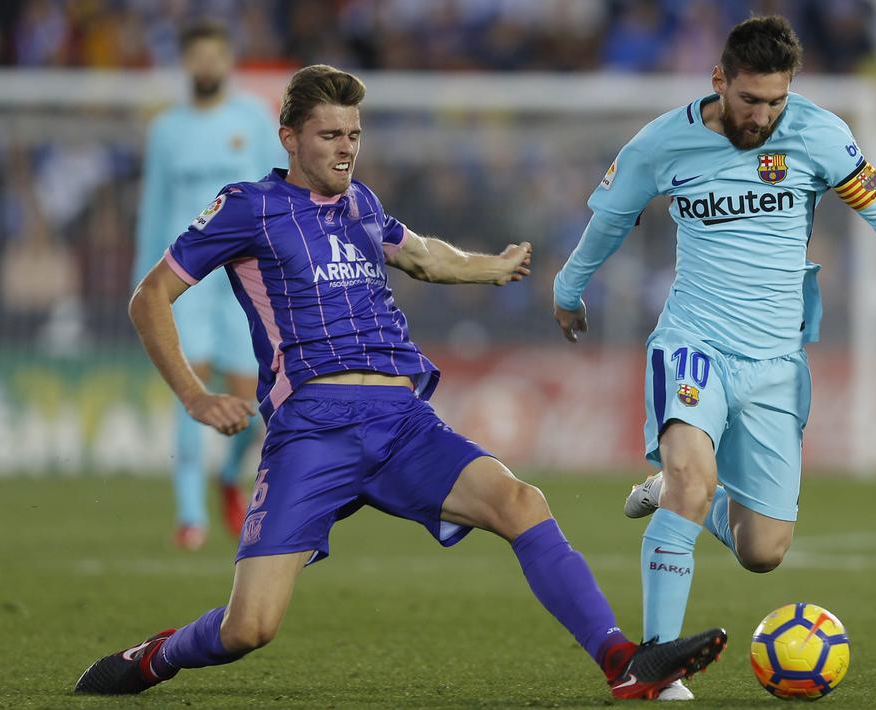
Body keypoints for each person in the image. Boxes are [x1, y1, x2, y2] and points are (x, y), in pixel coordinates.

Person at [75, 64, 726, 700]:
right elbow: (150, 296)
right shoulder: (249, 207)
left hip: (399, 419)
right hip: (313, 428)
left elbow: (419, 255)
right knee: (249, 628)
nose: (345, 149)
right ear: (289, 138)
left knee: (520, 502)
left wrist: (489, 268)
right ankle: (155, 658)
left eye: (353, 135)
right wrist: (194, 393)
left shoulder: (361, 203)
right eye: (329, 135)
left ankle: (622, 664)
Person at [552, 16, 876, 701]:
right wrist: (568, 290)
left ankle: (675, 499)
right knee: (691, 472)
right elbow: (609, 221)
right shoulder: (660, 143)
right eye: (748, 100)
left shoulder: (817, 134)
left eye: (774, 102)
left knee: (762, 551)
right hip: (692, 343)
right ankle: (651, 663)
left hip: (773, 363)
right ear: (718, 81)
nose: (761, 116)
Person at [133, 21, 286, 549]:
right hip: (188, 279)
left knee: (253, 401)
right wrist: (144, 283)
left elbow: (279, 185)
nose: (206, 66)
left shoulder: (253, 118)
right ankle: (190, 515)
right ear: (185, 62)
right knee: (193, 388)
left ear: (228, 60)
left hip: (245, 278)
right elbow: (154, 208)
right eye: (197, 56)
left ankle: (228, 478)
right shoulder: (166, 131)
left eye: (214, 56)